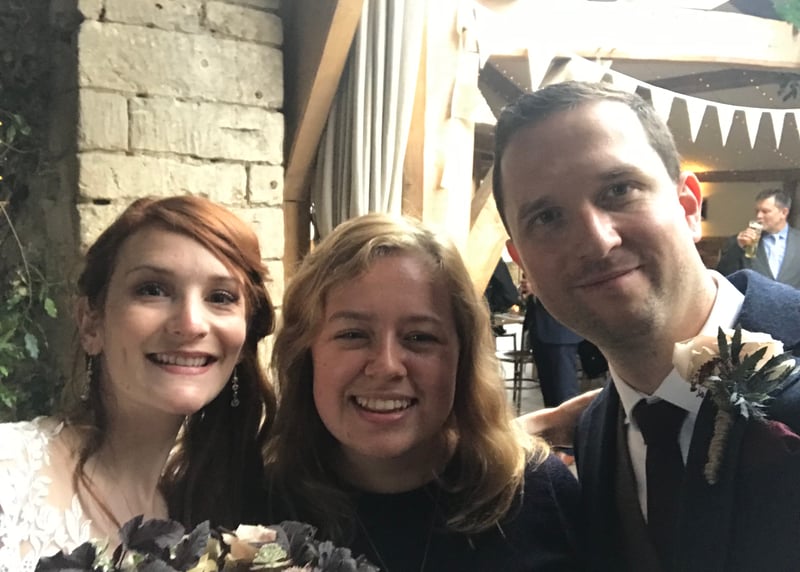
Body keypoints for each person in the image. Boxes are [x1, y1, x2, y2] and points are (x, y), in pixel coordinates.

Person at [492, 81, 800, 572]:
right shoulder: (594, 433)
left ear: (688, 205)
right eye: (547, 217)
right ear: (521, 260)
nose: (596, 241)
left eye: (619, 191)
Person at [262, 213, 583, 571]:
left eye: (420, 337)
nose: (387, 366)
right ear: (305, 352)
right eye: (353, 334)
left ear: (462, 358)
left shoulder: (538, 494)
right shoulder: (254, 507)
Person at [0, 196, 277, 567]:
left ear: (243, 340)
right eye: (153, 290)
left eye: (220, 297)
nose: (191, 324)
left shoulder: (209, 516)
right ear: (90, 322)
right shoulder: (8, 475)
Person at [520, 276, 583, 408]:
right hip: (539, 328)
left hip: (560, 331)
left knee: (565, 394)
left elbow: (572, 285)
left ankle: (572, 422)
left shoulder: (566, 264)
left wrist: (538, 289)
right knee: (549, 393)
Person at [717, 188, 800, 288]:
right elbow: (723, 276)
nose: (759, 216)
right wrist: (738, 247)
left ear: (784, 212)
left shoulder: (797, 240)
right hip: (753, 297)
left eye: (765, 211)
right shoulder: (740, 241)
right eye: (757, 211)